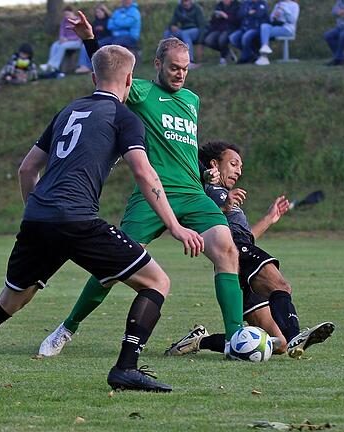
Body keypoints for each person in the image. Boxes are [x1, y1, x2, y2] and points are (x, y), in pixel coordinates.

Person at [0, 44, 204, 393]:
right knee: (156, 282)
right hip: (77, 220)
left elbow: (27, 168)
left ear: (92, 77)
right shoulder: (124, 117)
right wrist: (176, 226)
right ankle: (126, 368)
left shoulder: (68, 110)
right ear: (131, 79)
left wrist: (36, 213)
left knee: (10, 300)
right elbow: (145, 174)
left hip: (38, 218)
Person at [38, 14, 245, 361]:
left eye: (185, 68)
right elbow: (109, 70)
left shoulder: (192, 101)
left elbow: (180, 146)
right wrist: (90, 39)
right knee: (111, 267)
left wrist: (200, 171)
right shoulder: (141, 92)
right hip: (153, 196)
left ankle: (236, 338)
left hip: (192, 194)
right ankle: (67, 327)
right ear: (158, 64)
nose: (180, 73)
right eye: (175, 67)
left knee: (227, 251)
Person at [165, 141, 334, 358]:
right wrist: (221, 202)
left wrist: (269, 219)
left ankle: (199, 340)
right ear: (214, 164)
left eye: (241, 167)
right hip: (238, 253)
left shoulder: (224, 194)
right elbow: (200, 214)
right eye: (234, 164)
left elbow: (246, 237)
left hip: (241, 254)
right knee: (280, 285)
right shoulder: (206, 190)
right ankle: (295, 335)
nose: (238, 171)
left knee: (278, 344)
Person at [40, 7, 83, 74]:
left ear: (72, 13)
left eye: (68, 14)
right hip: (66, 41)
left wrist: (68, 39)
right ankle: (49, 64)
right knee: (55, 45)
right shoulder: (64, 21)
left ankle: (55, 66)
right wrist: (61, 38)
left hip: (77, 42)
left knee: (62, 46)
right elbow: (62, 32)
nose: (66, 16)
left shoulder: (78, 21)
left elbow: (79, 35)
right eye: (65, 15)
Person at [255, 0, 300, 66]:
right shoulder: (278, 5)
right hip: (277, 27)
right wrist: (274, 16)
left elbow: (292, 20)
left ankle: (263, 57)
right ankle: (263, 54)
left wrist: (285, 10)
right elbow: (271, 19)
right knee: (264, 26)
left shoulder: (294, 5)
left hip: (288, 29)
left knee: (265, 32)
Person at [163, 0, 206, 66]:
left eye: (187, 1)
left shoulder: (197, 8)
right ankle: (168, 59)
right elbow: (172, 21)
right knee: (167, 33)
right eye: (184, 1)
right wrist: (172, 26)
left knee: (185, 33)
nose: (186, 3)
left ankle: (189, 61)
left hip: (195, 30)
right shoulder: (179, 8)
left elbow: (202, 26)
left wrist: (200, 42)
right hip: (183, 30)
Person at [74, 4, 112, 74]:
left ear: (104, 12)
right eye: (97, 12)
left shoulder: (109, 21)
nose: (98, 14)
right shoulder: (95, 22)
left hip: (108, 39)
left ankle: (88, 67)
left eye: (100, 12)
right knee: (85, 45)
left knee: (93, 45)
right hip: (97, 39)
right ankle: (84, 66)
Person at [229, 0, 269, 64]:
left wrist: (247, 13)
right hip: (244, 28)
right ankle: (252, 55)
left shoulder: (262, 3)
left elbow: (259, 14)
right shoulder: (246, 3)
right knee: (233, 38)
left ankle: (245, 58)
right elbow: (239, 15)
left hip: (256, 28)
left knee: (245, 37)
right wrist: (248, 12)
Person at [202, 0, 241, 65]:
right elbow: (212, 21)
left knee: (222, 39)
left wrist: (226, 16)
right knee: (208, 40)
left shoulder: (237, 5)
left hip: (231, 29)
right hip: (218, 29)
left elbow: (237, 20)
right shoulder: (219, 5)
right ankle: (227, 52)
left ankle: (223, 59)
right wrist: (216, 17)